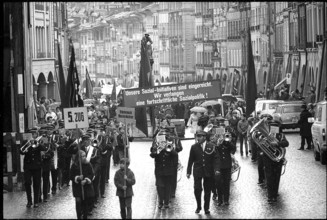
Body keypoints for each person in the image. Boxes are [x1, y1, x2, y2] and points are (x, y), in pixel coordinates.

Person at [186, 130, 216, 215]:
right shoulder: (194, 147)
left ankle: (206, 208)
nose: (198, 138)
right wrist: (188, 171)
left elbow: (215, 159)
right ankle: (198, 206)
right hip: (197, 171)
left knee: (207, 190)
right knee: (197, 189)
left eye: (199, 136)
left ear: (204, 137)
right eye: (197, 136)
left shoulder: (211, 146)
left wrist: (215, 170)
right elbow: (190, 160)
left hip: (208, 171)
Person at [261, 118, 289, 203]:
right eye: (272, 127)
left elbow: (286, 143)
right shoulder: (266, 136)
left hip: (278, 160)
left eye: (275, 127)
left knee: (276, 178)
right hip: (268, 159)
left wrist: (277, 143)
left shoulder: (281, 135)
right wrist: (265, 142)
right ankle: (270, 196)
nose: (273, 129)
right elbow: (260, 146)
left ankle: (274, 195)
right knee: (269, 178)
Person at [150, 129, 179, 209]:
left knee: (167, 187)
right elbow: (152, 155)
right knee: (159, 186)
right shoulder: (156, 146)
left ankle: (166, 202)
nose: (162, 142)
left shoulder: (169, 145)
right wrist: (157, 150)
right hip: (159, 171)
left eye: (164, 140)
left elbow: (175, 155)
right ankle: (160, 202)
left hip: (168, 171)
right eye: (161, 141)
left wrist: (168, 147)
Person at [20, 128, 48, 208]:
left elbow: (45, 149)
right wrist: (26, 148)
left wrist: (38, 143)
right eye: (31, 134)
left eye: (34, 134)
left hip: (37, 166)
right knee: (27, 183)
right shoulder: (25, 142)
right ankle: (29, 201)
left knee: (37, 183)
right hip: (28, 166)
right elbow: (21, 151)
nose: (33, 136)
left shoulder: (40, 141)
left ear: (37, 134)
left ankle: (36, 201)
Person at [70, 150, 95, 219]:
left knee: (85, 203)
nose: (84, 158)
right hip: (77, 187)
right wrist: (77, 178)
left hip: (85, 187)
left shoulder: (88, 164)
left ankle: (85, 216)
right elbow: (71, 176)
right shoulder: (74, 165)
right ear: (78, 157)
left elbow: (92, 174)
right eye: (82, 156)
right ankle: (79, 216)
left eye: (85, 156)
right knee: (78, 201)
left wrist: (86, 180)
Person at [213, 131, 236, 206]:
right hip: (219, 166)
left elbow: (233, 149)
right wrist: (218, 141)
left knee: (226, 183)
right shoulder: (218, 144)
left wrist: (228, 141)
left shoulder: (227, 144)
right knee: (218, 183)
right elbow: (215, 151)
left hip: (227, 166)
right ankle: (219, 200)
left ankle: (226, 200)